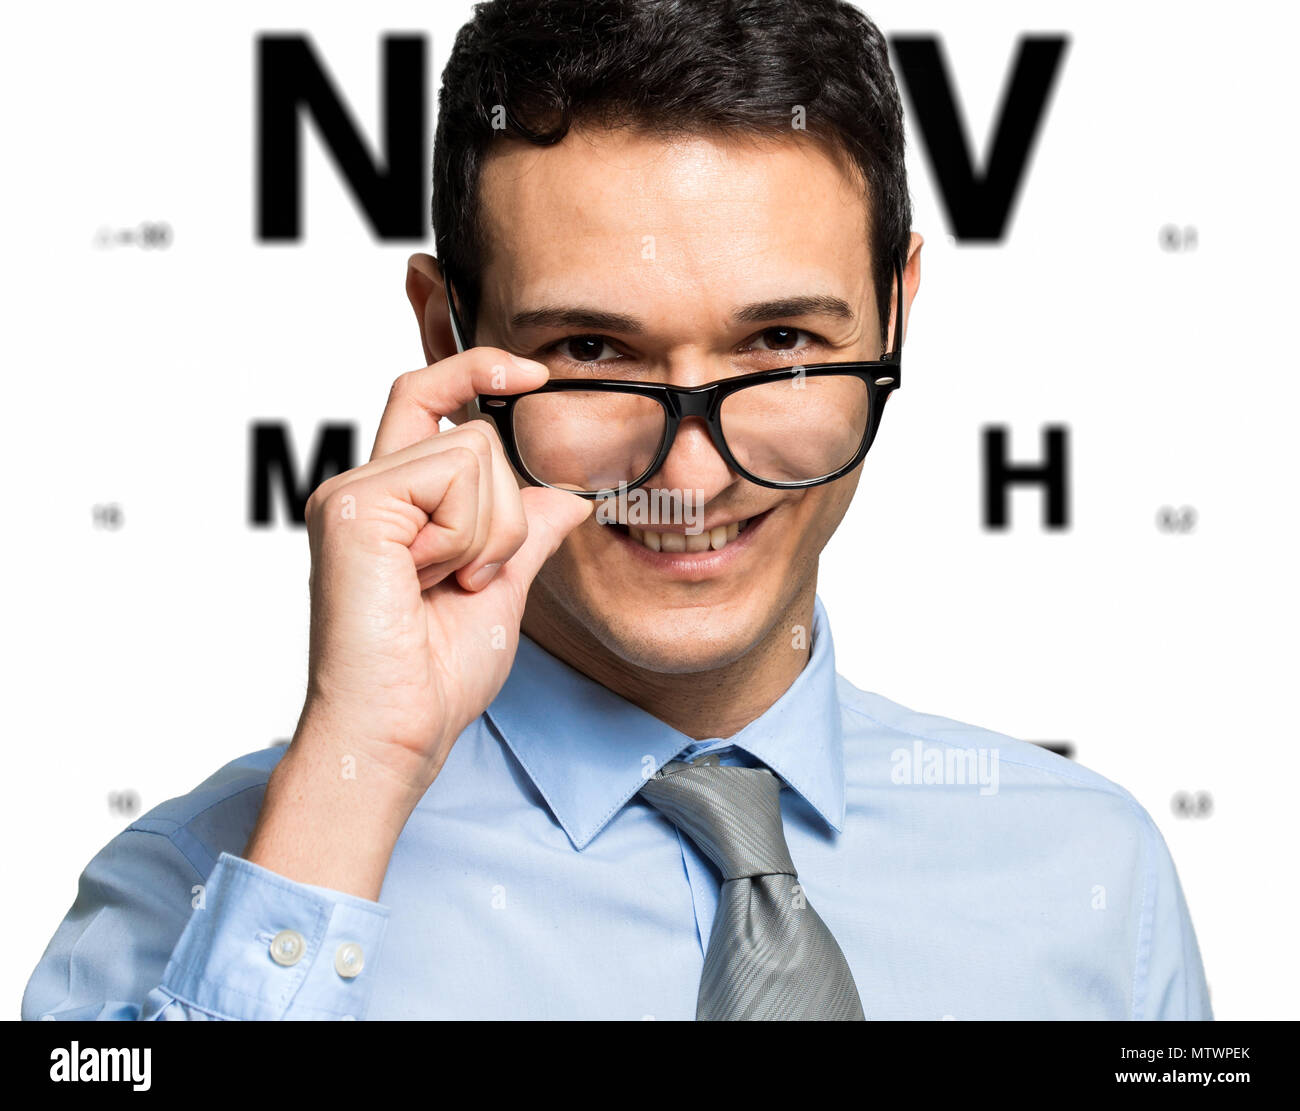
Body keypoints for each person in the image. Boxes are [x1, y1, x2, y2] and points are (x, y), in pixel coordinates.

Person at [23, 0, 1210, 1020]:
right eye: (592, 353)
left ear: (896, 309)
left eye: (783, 343)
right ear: (446, 336)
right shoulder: (187, 893)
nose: (690, 477)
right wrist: (355, 782)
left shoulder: (1093, 875)